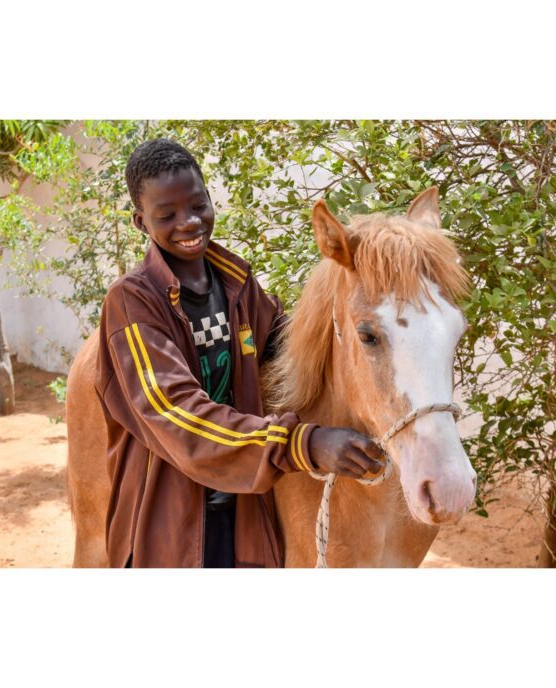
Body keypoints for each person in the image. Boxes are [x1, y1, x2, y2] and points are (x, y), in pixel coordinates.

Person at [95, 138, 383, 568]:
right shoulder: (132, 302)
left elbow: (282, 345)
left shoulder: (236, 282)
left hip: (244, 505)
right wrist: (305, 444)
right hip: (172, 522)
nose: (189, 223)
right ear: (140, 221)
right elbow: (177, 415)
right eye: (167, 215)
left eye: (198, 205)